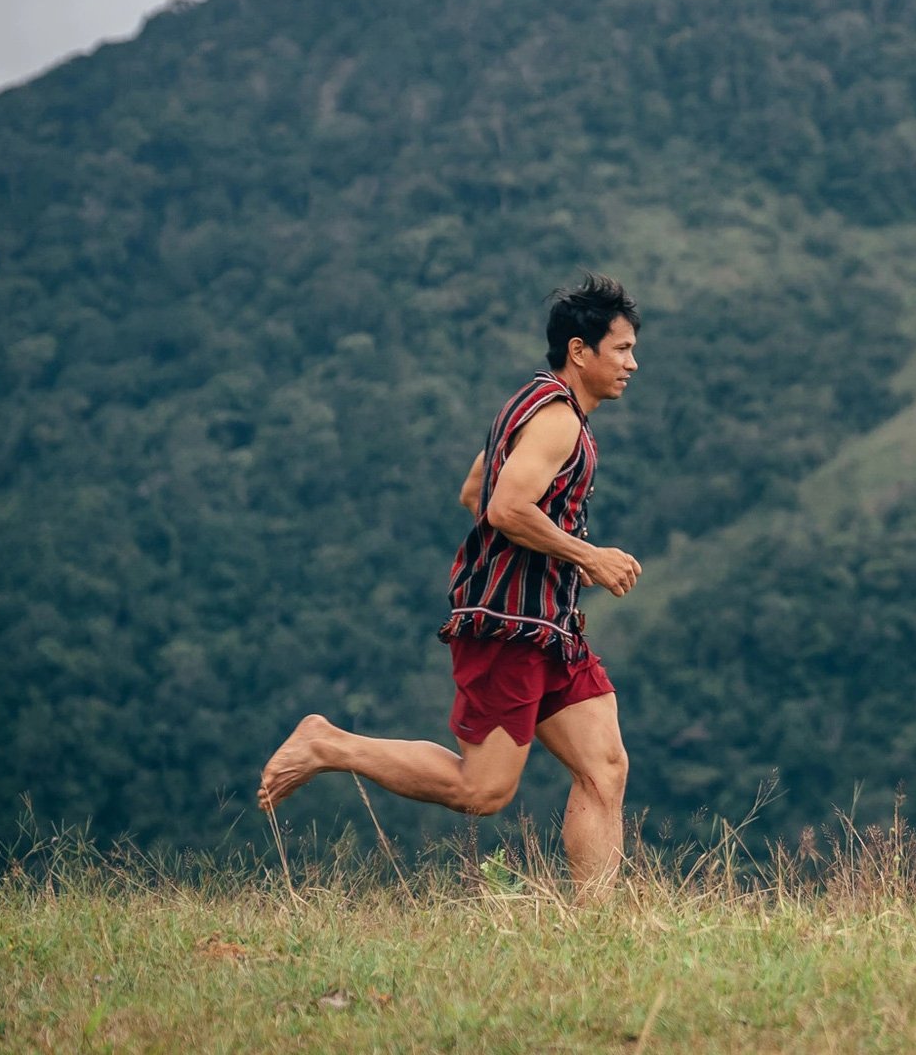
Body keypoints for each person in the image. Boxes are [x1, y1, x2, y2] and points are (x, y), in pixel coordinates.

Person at [257, 274, 644, 895]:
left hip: (547, 625)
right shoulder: (558, 422)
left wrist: (528, 566)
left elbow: (475, 491)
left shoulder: (530, 405)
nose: (631, 363)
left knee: (605, 767)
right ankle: (330, 744)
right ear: (580, 351)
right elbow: (504, 509)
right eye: (621, 349)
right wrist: (585, 557)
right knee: (483, 789)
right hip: (509, 628)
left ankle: (599, 926)